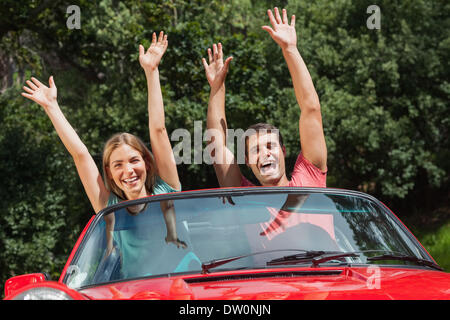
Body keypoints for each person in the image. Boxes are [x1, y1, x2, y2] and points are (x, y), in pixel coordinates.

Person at [21, 31, 186, 248]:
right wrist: (52, 107)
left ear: (147, 162)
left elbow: (158, 130)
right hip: (135, 283)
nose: (128, 171)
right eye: (118, 164)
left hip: (184, 279)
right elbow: (80, 155)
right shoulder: (109, 208)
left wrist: (151, 71)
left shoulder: (167, 189)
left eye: (134, 160)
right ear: (108, 172)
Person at [202, 7, 327, 189]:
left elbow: (311, 109)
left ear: (283, 152)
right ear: (248, 161)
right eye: (255, 150)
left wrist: (290, 49)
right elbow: (217, 145)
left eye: (270, 146)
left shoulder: (309, 181)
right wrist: (216, 88)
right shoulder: (244, 196)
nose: (265, 154)